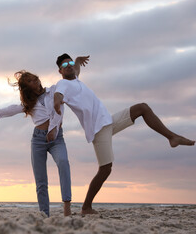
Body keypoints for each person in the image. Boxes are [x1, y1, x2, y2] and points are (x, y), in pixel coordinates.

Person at [52, 53, 195, 215]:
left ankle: (172, 137)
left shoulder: (75, 77)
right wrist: (57, 102)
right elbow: (58, 94)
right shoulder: (62, 84)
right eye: (64, 65)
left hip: (109, 121)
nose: (69, 66)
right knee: (105, 169)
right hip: (98, 130)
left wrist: (77, 60)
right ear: (60, 71)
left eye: (69, 63)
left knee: (143, 108)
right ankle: (86, 207)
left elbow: (76, 68)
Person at [0, 70, 73, 217]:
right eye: (29, 81)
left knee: (63, 162)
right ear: (26, 88)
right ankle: (44, 215)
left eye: (33, 78)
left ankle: (67, 208)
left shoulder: (54, 90)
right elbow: (13, 109)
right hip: (38, 140)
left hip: (56, 139)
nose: (34, 81)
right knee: (41, 181)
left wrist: (54, 129)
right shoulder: (29, 103)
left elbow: (63, 101)